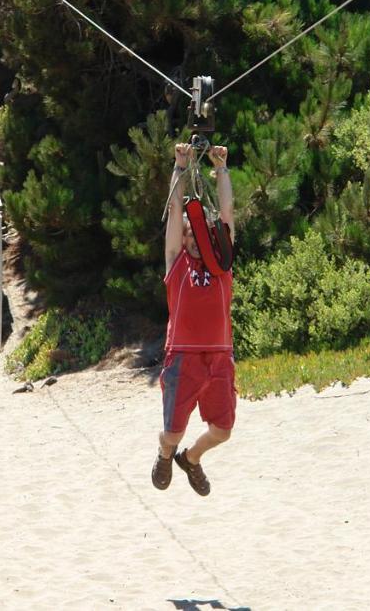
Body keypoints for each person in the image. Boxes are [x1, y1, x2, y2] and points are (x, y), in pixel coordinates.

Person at [152, 142, 235, 497]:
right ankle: (166, 454)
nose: (196, 240)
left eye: (202, 235)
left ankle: (192, 458)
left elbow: (228, 213)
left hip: (218, 357)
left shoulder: (222, 268)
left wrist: (221, 169)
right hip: (183, 357)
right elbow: (174, 211)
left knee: (222, 430)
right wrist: (181, 166)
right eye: (191, 235)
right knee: (171, 433)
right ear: (185, 239)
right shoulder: (178, 265)